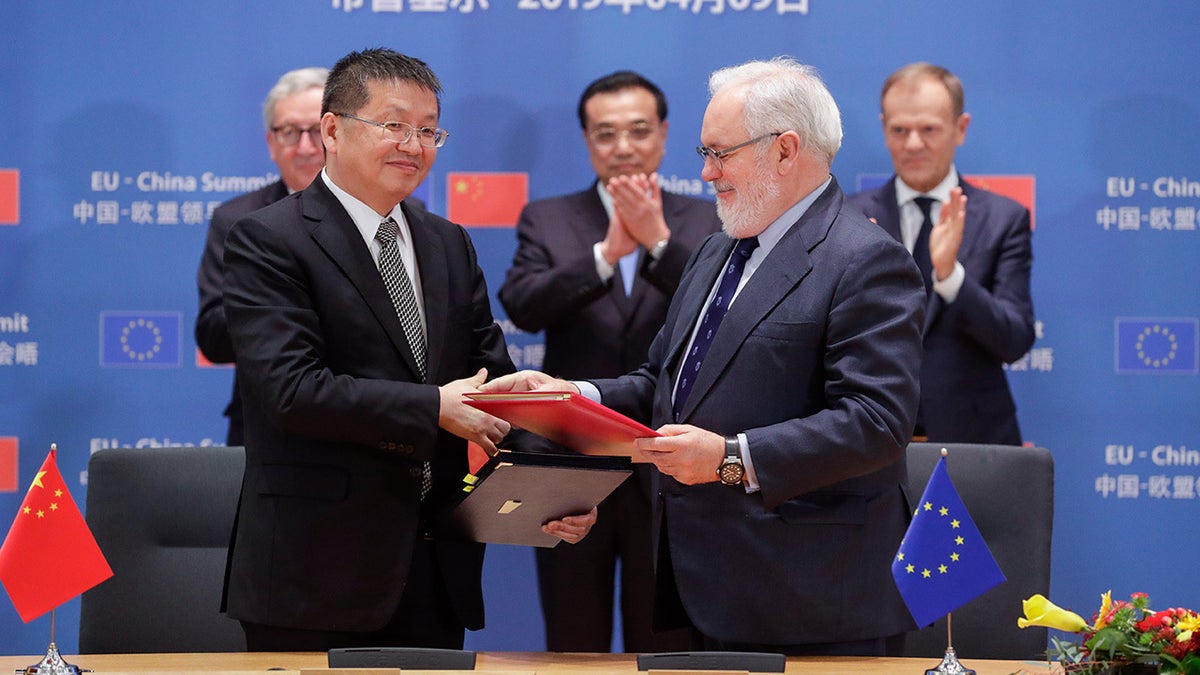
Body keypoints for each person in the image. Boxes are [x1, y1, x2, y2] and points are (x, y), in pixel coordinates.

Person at [483, 57, 926, 656]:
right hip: (702, 589)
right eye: (705, 153)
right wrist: (570, 397)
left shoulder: (865, 258)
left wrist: (729, 459)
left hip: (813, 601)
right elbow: (663, 384)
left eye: (721, 153)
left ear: (785, 150)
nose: (708, 173)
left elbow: (876, 421)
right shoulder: (718, 251)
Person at [219, 48, 596, 652]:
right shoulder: (269, 239)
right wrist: (432, 409)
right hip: (316, 573)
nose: (413, 145)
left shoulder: (447, 242)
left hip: (435, 567)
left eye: (428, 130)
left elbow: (488, 381)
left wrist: (559, 489)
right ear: (333, 130)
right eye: (394, 125)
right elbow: (291, 392)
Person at [497, 70, 720, 653]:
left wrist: (658, 244)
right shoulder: (547, 217)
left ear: (666, 134)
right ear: (587, 140)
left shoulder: (708, 220)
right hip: (570, 464)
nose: (623, 148)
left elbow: (721, 317)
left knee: (666, 642)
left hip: (672, 459)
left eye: (639, 131)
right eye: (606, 134)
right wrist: (604, 256)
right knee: (573, 639)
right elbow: (521, 302)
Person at [848, 62, 1035, 445]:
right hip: (865, 442)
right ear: (884, 128)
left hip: (973, 441)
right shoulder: (847, 219)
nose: (913, 143)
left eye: (928, 129)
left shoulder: (1003, 219)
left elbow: (1014, 340)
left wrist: (951, 277)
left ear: (960, 128)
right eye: (900, 130)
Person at [195, 67, 327, 446]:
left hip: (371, 425)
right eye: (290, 132)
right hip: (264, 430)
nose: (305, 147)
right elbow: (213, 337)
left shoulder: (393, 215)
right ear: (271, 143)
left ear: (338, 134)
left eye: (317, 130)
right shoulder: (238, 220)